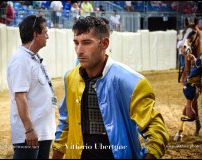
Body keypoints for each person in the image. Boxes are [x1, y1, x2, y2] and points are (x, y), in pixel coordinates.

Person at [52, 16, 169, 159]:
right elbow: (66, 121)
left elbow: (156, 130)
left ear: (104, 43)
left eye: (86, 43)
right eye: (76, 43)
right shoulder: (70, 77)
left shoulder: (131, 81)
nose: (79, 50)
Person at [7, 15, 56, 159]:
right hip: (29, 135)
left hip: (42, 131)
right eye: (45, 32)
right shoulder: (21, 60)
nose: (47, 36)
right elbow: (19, 96)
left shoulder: (33, 57)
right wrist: (29, 130)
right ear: (35, 34)